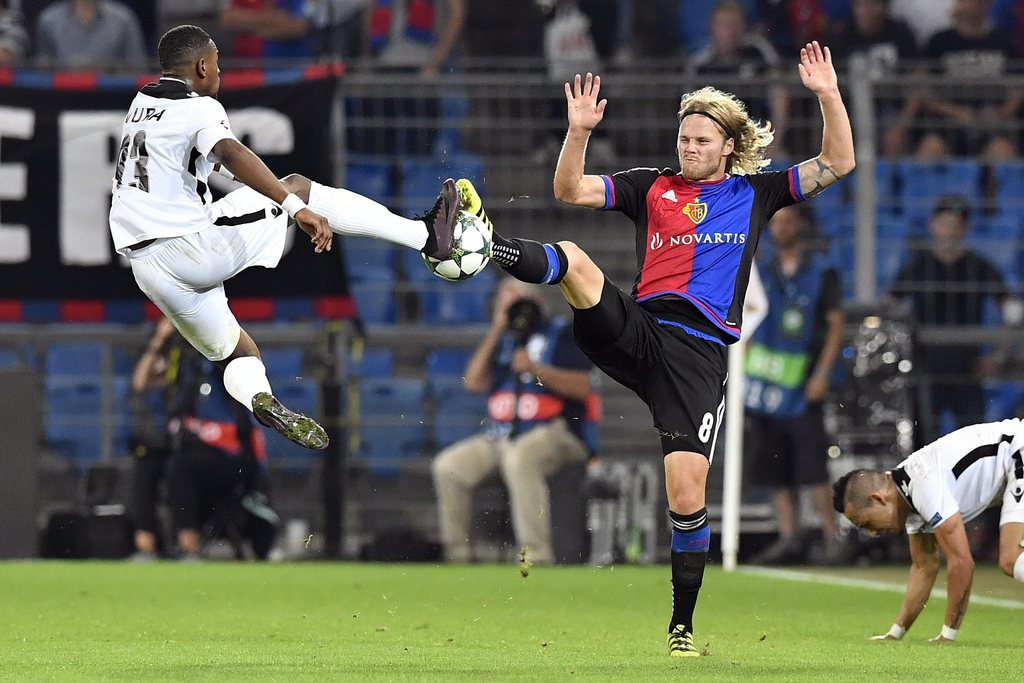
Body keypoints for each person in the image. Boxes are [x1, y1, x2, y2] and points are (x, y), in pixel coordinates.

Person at [456, 40, 855, 656]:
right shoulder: (651, 188)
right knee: (578, 262)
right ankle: (487, 244)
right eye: (683, 139)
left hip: (696, 359)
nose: (689, 148)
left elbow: (838, 161)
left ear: (728, 146)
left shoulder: (759, 193)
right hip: (638, 333)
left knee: (685, 495)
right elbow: (569, 190)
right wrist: (578, 132)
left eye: (701, 140)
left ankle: (681, 627)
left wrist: (827, 93)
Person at [109, 25, 463, 451]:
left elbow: (188, 161)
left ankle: (262, 400)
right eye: (217, 64)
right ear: (202, 66)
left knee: (236, 352)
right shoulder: (198, 108)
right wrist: (294, 208)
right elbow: (229, 153)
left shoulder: (141, 102)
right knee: (296, 185)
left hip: (146, 268)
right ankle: (427, 237)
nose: (219, 74)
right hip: (188, 246)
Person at [431, 279, 597, 566]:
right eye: (504, 305)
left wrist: (537, 370)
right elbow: (473, 382)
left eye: (517, 302)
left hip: (556, 431)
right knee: (448, 467)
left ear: (536, 304)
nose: (512, 311)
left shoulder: (562, 334)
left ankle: (536, 558)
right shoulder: (503, 340)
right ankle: (457, 558)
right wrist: (497, 329)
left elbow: (584, 386)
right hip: (501, 435)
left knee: (520, 459)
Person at [831, 419, 1024, 642]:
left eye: (866, 524)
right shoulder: (906, 497)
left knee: (1010, 559)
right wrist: (895, 633)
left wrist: (947, 635)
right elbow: (924, 567)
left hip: (1018, 451)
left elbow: (962, 563)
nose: (872, 533)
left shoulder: (923, 485)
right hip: (1015, 459)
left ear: (878, 499)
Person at [744, 204, 845, 565]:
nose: (780, 227)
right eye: (775, 221)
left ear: (801, 224)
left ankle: (833, 537)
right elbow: (748, 320)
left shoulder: (821, 272)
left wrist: (822, 374)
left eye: (787, 220)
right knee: (774, 465)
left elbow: (836, 325)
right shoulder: (760, 271)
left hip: (803, 384)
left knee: (812, 465)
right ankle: (790, 536)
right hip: (765, 383)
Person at [131, 317, 278, 560]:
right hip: (188, 447)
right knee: (147, 459)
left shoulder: (221, 362)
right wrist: (159, 341)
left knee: (183, 464)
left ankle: (189, 547)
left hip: (228, 455)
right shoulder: (182, 365)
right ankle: (146, 546)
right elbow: (141, 383)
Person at [888, 194, 1014, 445]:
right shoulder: (918, 267)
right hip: (925, 367)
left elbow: (1011, 310)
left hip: (968, 369)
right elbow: (888, 305)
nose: (949, 230)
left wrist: (999, 355)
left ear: (965, 229)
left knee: (975, 445)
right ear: (933, 225)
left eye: (956, 224)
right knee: (922, 444)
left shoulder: (979, 267)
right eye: (944, 222)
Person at [33, 0, 146, 69]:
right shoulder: (48, 20)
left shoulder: (124, 20)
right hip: (62, 98)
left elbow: (137, 69)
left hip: (112, 100)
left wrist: (106, 70)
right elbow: (43, 71)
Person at [219, 0, 312, 61]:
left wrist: (247, 25)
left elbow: (298, 28)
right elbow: (228, 19)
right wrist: (273, 20)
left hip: (290, 68)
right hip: (246, 68)